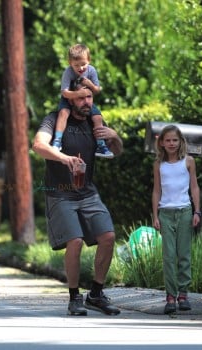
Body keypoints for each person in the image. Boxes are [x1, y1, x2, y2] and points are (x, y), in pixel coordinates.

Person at [32, 81, 123, 316]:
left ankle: (96, 293)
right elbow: (38, 145)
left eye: (90, 97)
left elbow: (116, 152)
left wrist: (115, 137)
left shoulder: (96, 122)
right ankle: (74, 297)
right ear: (71, 98)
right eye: (82, 98)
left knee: (108, 236)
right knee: (75, 241)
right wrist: (65, 158)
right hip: (60, 192)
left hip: (88, 192)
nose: (87, 102)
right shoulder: (55, 118)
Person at [152, 124, 201, 314]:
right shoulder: (159, 165)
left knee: (184, 255)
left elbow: (194, 187)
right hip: (165, 213)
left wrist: (197, 212)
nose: (172, 143)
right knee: (169, 256)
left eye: (175, 140)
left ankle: (183, 294)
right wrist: (155, 215)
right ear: (162, 143)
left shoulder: (188, 162)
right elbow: (157, 190)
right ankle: (170, 296)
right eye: (168, 140)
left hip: (184, 212)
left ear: (180, 141)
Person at [52, 43, 114, 158]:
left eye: (83, 64)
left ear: (89, 61)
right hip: (69, 98)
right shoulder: (68, 72)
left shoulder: (91, 71)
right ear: (70, 63)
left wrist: (89, 84)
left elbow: (97, 90)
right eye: (76, 65)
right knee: (63, 113)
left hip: (85, 99)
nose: (80, 68)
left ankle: (101, 145)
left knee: (97, 117)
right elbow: (64, 92)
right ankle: (57, 141)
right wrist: (78, 94)